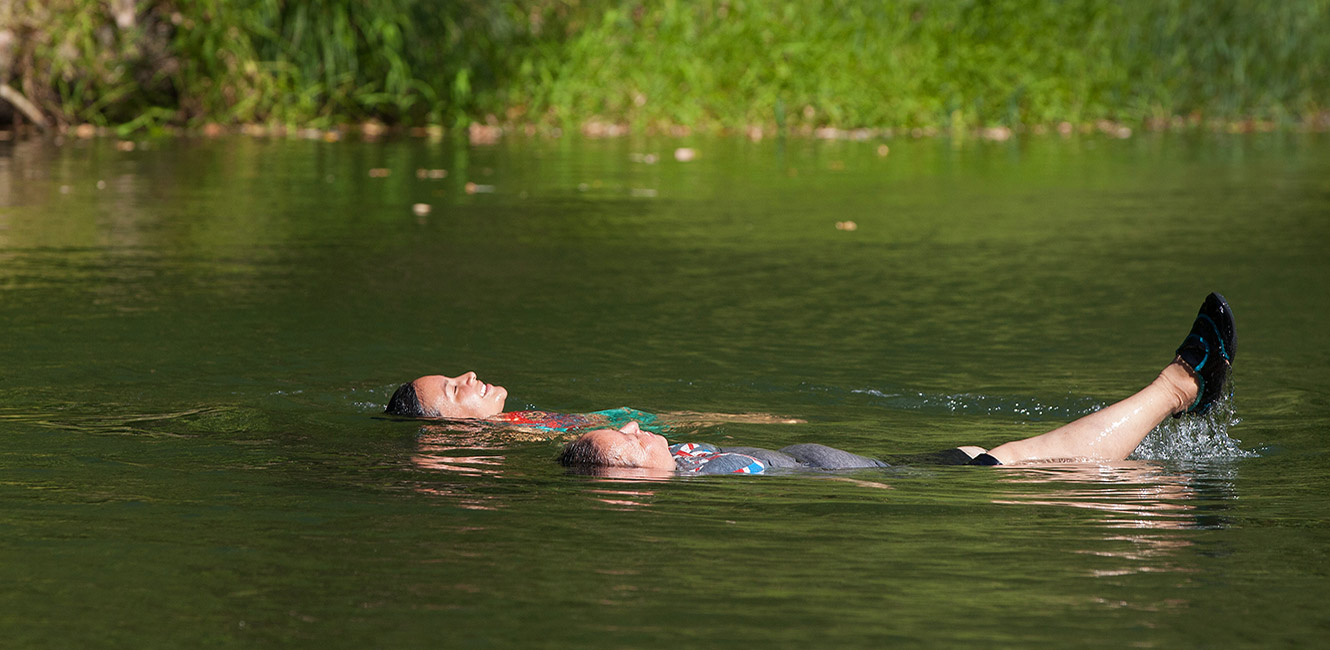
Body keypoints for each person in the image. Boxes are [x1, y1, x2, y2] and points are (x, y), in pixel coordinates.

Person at [558, 293, 1238, 474]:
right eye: (628, 439)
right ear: (630, 480)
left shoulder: (690, 464)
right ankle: (1181, 387)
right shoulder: (708, 478)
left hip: (902, 469)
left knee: (1031, 461)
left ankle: (1173, 426)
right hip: (916, 478)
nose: (638, 429)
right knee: (1025, 463)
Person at [385, 371, 800, 437]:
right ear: (453, 426)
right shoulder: (510, 435)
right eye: (457, 389)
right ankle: (766, 421)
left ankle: (765, 420)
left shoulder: (514, 423)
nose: (470, 375)